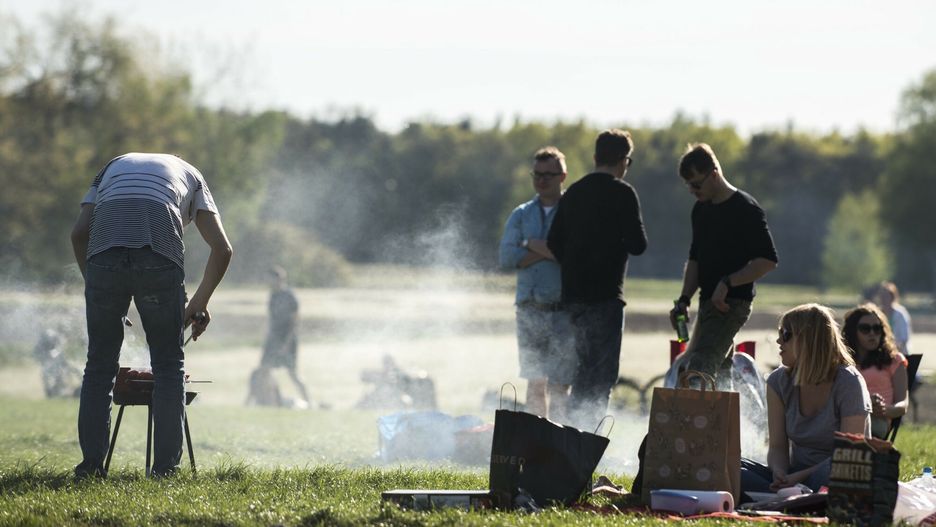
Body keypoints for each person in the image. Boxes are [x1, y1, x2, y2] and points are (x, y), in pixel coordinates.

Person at [70, 152, 233, 478]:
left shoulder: (109, 170)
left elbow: (78, 234)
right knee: (169, 365)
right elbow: (222, 248)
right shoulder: (193, 177)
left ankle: (90, 469)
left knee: (100, 365)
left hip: (102, 260)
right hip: (159, 257)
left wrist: (97, 286)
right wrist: (198, 303)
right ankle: (164, 472)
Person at [547, 129, 647, 429]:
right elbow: (638, 245)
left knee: (575, 374)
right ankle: (586, 439)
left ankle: (566, 437)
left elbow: (553, 242)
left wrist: (576, 262)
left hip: (572, 300)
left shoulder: (574, 192)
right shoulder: (623, 193)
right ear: (624, 161)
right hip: (606, 299)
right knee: (599, 379)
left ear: (595, 157)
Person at [670, 143, 778, 387]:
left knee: (698, 367)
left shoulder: (746, 209)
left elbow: (767, 261)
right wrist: (684, 299)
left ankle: (688, 423)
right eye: (688, 185)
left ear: (714, 174)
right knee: (720, 373)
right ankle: (730, 422)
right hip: (707, 303)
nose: (691, 190)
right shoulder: (700, 210)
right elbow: (695, 258)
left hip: (732, 305)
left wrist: (728, 283)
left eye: (696, 184)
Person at [740, 304, 871, 497]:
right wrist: (779, 473)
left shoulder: (849, 382)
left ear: (808, 339)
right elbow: (777, 447)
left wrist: (798, 477)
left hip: (839, 471)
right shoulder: (778, 381)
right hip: (794, 475)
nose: (778, 340)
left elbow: (849, 453)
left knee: (832, 470)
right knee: (733, 467)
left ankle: (794, 494)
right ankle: (793, 494)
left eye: (785, 334)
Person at [498, 146, 574, 422]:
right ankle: (535, 441)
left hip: (562, 310)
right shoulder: (520, 214)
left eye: (549, 175)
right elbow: (506, 257)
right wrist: (546, 250)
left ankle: (558, 440)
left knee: (559, 383)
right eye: (537, 174)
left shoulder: (572, 212)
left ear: (562, 176)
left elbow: (570, 256)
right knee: (534, 381)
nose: (542, 180)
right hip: (529, 309)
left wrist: (528, 245)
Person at [842, 303, 908, 438]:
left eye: (877, 328)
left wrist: (883, 409)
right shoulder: (842, 362)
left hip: (877, 421)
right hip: (846, 415)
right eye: (865, 329)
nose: (872, 333)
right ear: (853, 331)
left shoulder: (893, 360)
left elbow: (903, 405)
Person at [259, 265, 310, 406]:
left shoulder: (289, 296)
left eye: (269, 278)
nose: (267, 281)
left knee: (293, 374)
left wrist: (286, 344)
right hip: (273, 339)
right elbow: (271, 319)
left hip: (287, 341)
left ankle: (309, 402)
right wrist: (267, 336)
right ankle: (265, 402)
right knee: (263, 371)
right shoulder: (272, 295)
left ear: (278, 279)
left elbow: (295, 322)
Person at [873, 281, 912, 356]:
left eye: (887, 296)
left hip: (900, 353)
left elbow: (904, 337)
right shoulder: (876, 313)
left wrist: (894, 350)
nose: (884, 299)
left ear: (892, 297)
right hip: (880, 354)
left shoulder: (900, 314)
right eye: (883, 296)